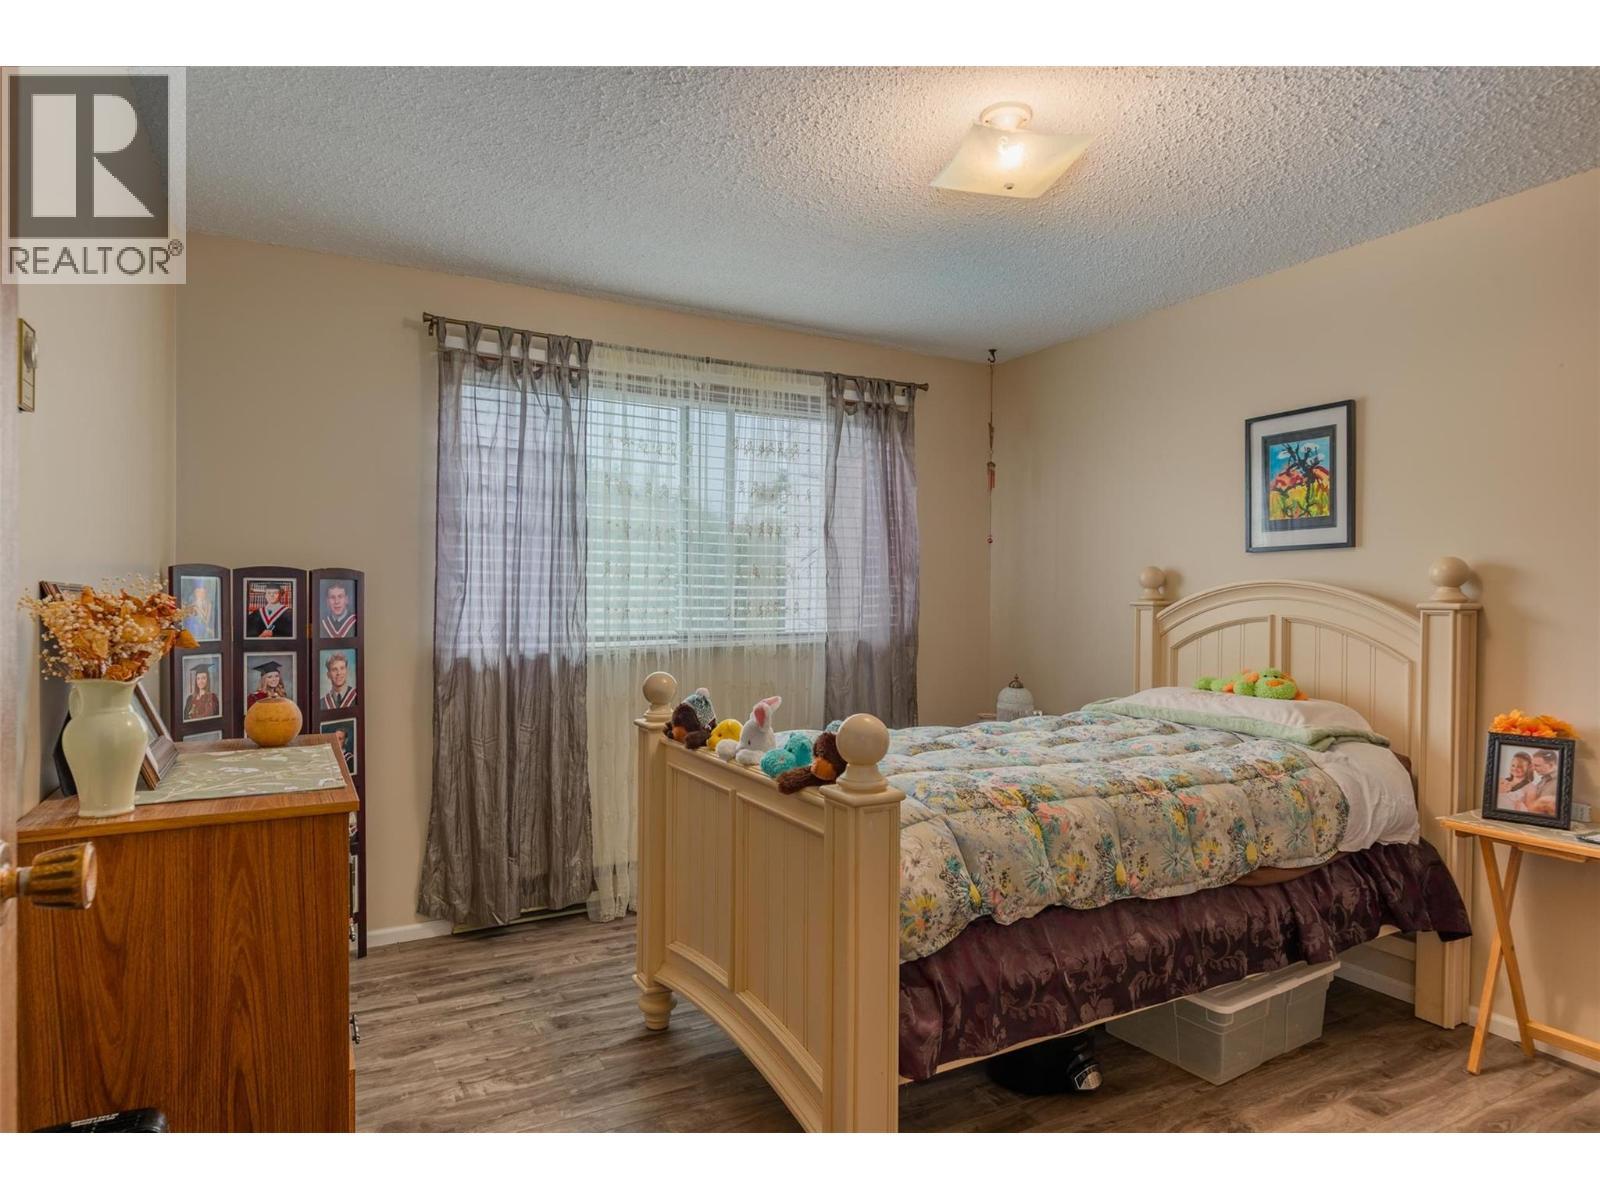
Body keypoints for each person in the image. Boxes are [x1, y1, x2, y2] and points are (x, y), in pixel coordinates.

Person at [1524, 749, 1562, 817]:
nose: (1533, 769)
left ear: (1551, 765)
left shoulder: (1560, 782)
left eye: (1537, 765)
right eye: (1533, 765)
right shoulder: (1544, 779)